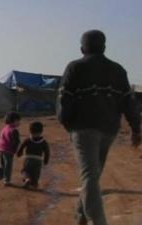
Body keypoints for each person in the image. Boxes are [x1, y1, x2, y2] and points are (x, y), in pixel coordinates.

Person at [58, 30, 141, 225]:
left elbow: (63, 100)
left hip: (83, 129)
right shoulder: (118, 70)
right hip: (109, 130)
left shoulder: (75, 67)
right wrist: (136, 129)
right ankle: (81, 217)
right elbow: (129, 103)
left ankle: (98, 221)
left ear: (82, 49)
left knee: (89, 176)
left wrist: (68, 124)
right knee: (93, 176)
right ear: (104, 47)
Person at [17, 122, 50, 189]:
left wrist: (19, 153)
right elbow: (47, 151)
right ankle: (35, 184)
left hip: (28, 159)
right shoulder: (44, 142)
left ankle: (27, 179)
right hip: (38, 160)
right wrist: (46, 160)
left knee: (25, 171)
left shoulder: (28, 140)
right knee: (36, 173)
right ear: (41, 131)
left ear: (30, 131)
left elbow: (22, 147)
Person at [0, 112, 21, 186]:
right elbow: (16, 142)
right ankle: (7, 180)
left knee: (1, 163)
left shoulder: (5, 128)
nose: (19, 122)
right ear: (14, 120)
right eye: (18, 120)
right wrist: (16, 151)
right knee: (8, 165)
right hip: (8, 150)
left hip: (0, 148)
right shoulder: (14, 130)